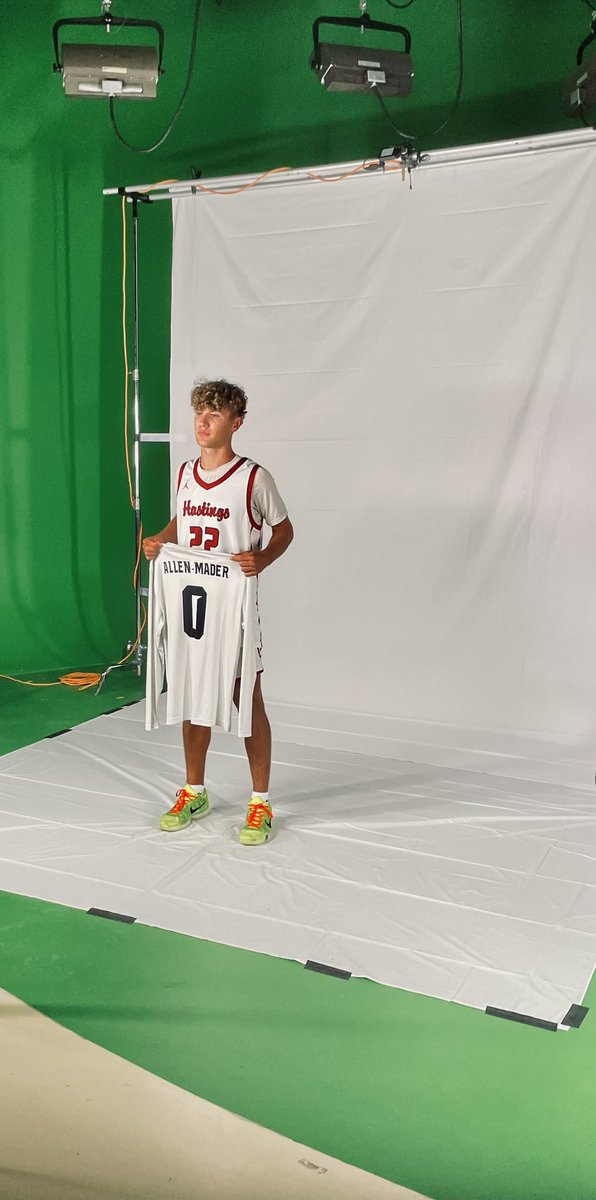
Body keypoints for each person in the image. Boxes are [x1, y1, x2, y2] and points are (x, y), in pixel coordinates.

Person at [143, 378, 293, 845]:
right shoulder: (186, 472)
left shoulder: (253, 477)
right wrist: (162, 539)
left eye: (214, 415)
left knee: (245, 697)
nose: (203, 423)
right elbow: (181, 521)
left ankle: (260, 802)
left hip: (233, 606)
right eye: (198, 414)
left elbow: (285, 530)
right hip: (192, 597)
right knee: (191, 691)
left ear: (236, 423)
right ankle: (194, 790)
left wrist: (262, 558)